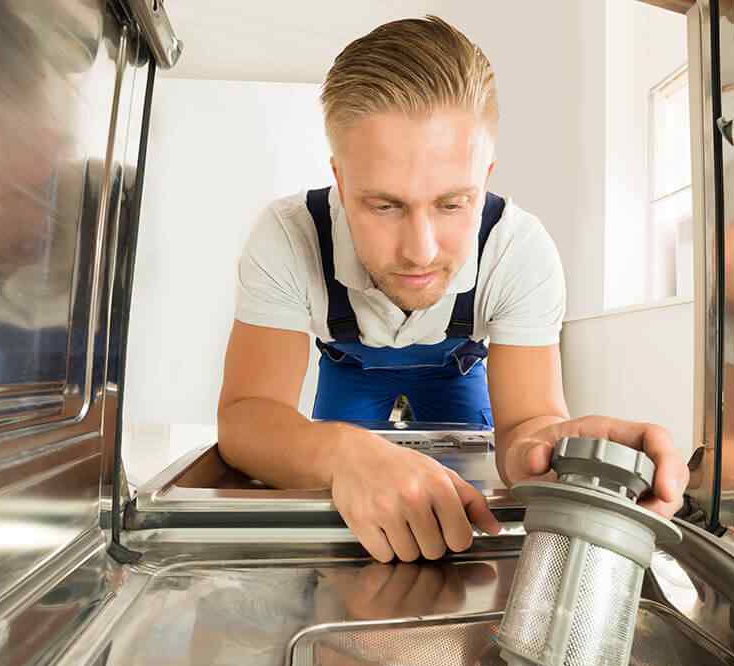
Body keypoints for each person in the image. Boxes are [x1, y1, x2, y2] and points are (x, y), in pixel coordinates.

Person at [217, 16, 689, 563]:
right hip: (348, 367)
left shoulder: (520, 250)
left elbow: (523, 428)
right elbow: (249, 416)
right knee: (337, 490)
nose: (420, 250)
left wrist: (553, 450)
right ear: (341, 183)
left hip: (456, 367)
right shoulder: (285, 236)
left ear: (485, 177)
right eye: (385, 205)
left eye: (452, 203)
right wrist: (341, 453)